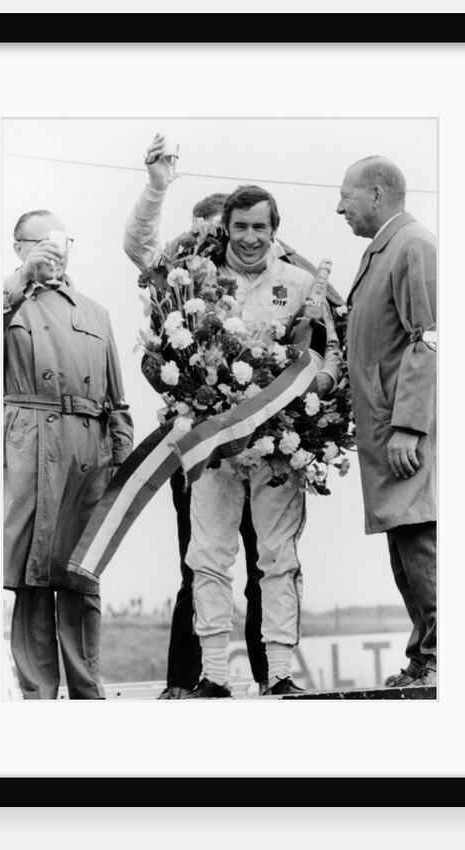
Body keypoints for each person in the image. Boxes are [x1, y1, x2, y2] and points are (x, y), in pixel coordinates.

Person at [124, 135, 344, 698]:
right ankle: (214, 675)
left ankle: (281, 675)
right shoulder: (194, 275)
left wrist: (317, 386)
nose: (250, 238)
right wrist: (156, 186)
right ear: (226, 226)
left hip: (278, 448)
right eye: (241, 227)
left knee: (277, 559)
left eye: (261, 229)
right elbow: (137, 245)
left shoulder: (300, 283)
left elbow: (330, 352)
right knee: (208, 558)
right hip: (214, 450)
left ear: (275, 231)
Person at [3, 209, 134, 699]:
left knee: (82, 571)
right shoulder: (7, 303)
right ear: (20, 247)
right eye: (42, 243)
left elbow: (116, 397)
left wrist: (120, 456)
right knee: (33, 573)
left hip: (87, 452)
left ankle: (87, 691)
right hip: (29, 448)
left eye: (62, 242)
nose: (55, 252)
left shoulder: (95, 312)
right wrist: (21, 278)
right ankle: (37, 694)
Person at [336, 156, 437, 688]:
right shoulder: (384, 250)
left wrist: (410, 426)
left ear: (375, 195)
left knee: (420, 537)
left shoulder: (413, 245)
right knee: (405, 544)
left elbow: (432, 337)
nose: (339, 207)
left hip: (404, 432)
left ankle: (445, 657)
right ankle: (426, 655)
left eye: (346, 196)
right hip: (386, 430)